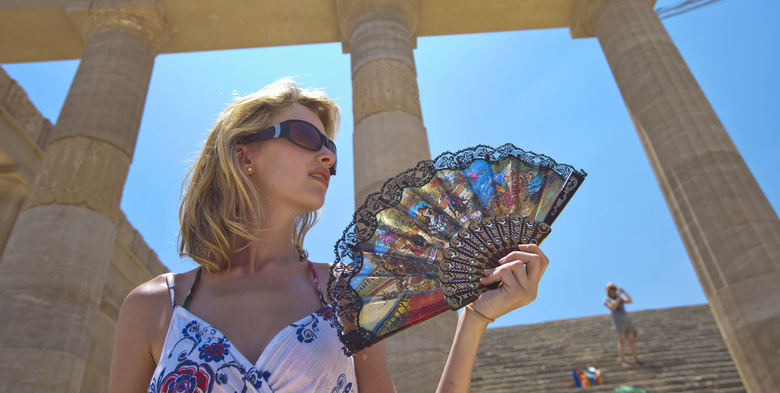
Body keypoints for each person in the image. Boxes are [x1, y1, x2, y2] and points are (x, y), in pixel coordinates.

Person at [108, 78, 549, 393]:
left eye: (331, 150)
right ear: (245, 156)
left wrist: (474, 318)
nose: (326, 155)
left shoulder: (345, 292)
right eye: (304, 136)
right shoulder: (153, 306)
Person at [604, 282, 640, 367]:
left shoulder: (619, 298)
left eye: (614, 289)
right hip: (618, 321)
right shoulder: (607, 299)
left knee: (631, 340)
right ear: (608, 291)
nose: (613, 291)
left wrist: (624, 293)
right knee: (622, 340)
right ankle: (622, 360)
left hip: (627, 319)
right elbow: (612, 308)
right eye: (611, 289)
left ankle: (636, 359)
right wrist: (618, 299)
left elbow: (630, 301)